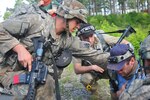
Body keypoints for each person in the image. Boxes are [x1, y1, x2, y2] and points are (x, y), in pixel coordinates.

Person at [0, 0, 110, 99]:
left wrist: (121, 59)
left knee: (46, 81)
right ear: (67, 15)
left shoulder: (67, 40)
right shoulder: (36, 21)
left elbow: (93, 55)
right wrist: (19, 48)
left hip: (32, 76)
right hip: (7, 74)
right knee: (45, 82)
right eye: (77, 22)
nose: (78, 27)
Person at [72, 23, 129, 99]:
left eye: (91, 36)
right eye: (86, 38)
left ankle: (120, 90)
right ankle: (93, 91)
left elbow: (125, 42)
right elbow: (77, 69)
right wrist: (92, 67)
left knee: (118, 83)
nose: (89, 40)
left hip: (110, 68)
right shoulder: (77, 47)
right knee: (85, 80)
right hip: (93, 72)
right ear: (80, 37)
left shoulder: (102, 38)